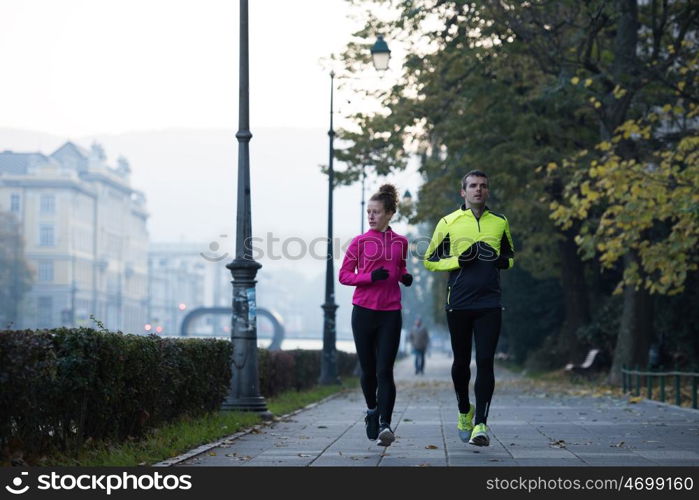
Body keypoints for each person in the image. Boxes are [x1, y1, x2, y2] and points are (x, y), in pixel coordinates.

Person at [423, 170, 514, 447]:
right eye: (473, 186)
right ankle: (464, 410)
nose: (478, 190)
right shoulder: (449, 221)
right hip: (459, 303)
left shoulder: (499, 222)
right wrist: (458, 261)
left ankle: (481, 424)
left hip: (489, 302)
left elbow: (510, 258)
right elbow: (430, 260)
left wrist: (498, 260)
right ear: (463, 192)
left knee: (485, 361)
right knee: (461, 363)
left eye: (483, 186)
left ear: (488, 191)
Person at [339, 184, 412, 447]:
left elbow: (399, 268)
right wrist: (370, 277)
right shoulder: (359, 242)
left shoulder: (401, 243)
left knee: (385, 371)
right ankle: (372, 410)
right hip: (363, 313)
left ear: (389, 213)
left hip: (390, 313)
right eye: (368, 212)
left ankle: (385, 424)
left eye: (376, 212)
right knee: (368, 371)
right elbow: (344, 276)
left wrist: (404, 277)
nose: (370, 216)